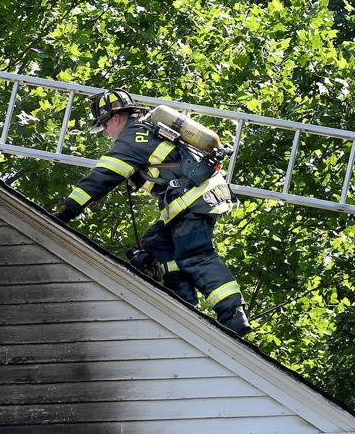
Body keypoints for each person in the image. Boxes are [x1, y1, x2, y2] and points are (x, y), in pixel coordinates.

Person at [53, 89, 250, 336]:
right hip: (193, 200)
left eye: (103, 125)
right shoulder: (146, 129)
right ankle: (184, 303)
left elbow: (99, 179)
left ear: (116, 118)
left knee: (195, 256)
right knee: (157, 243)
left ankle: (233, 316)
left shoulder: (130, 138)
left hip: (193, 201)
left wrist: (64, 213)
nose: (104, 132)